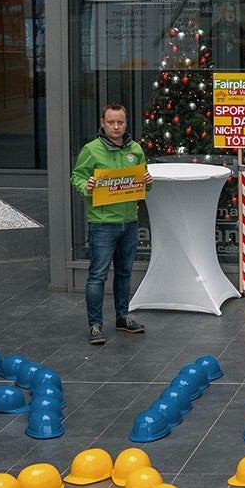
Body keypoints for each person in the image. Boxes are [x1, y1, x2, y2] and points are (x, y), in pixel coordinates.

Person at [71, 102, 148, 345]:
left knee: (124, 273)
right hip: (102, 223)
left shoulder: (135, 149)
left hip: (130, 221)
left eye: (120, 122)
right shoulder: (91, 150)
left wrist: (148, 180)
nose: (116, 127)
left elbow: (142, 181)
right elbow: (78, 176)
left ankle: (122, 317)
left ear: (126, 123)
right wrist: (87, 186)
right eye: (111, 122)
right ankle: (95, 325)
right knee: (97, 276)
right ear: (102, 124)